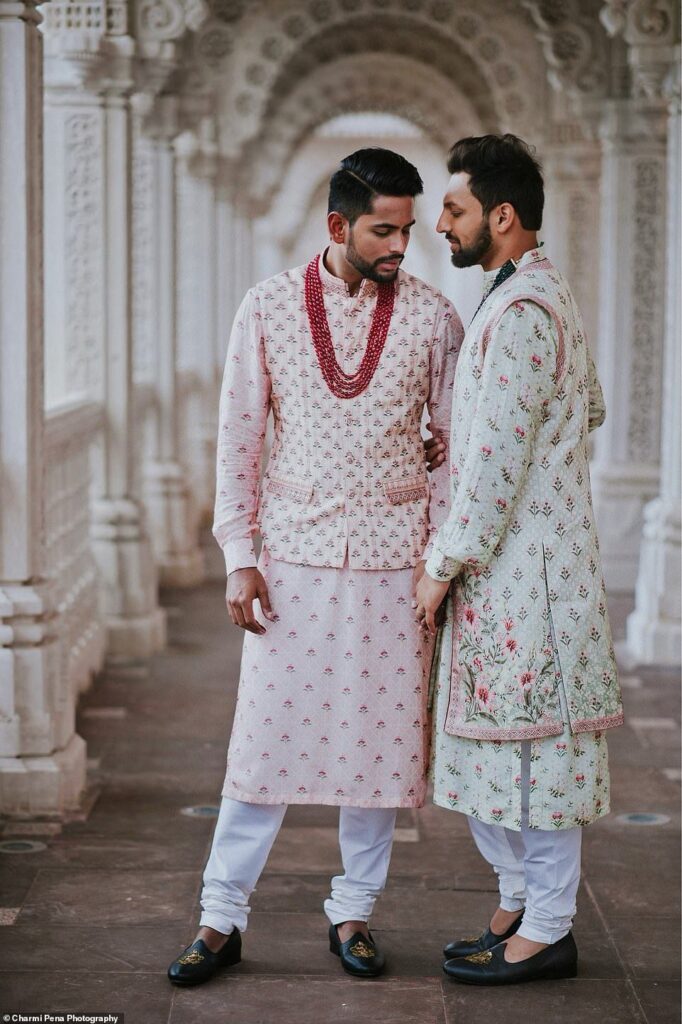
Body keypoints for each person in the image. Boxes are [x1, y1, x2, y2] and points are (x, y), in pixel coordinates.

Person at [167, 147, 463, 986]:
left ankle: (354, 913)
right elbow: (240, 440)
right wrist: (237, 558)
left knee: (378, 757)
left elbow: (451, 454)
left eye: (409, 228)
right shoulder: (264, 309)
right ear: (338, 226)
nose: (402, 244)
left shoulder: (436, 319)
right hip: (291, 560)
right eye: (384, 229)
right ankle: (219, 917)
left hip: (395, 565)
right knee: (260, 748)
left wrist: (438, 565)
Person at [415, 134, 623, 985]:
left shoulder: (526, 313)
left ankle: (548, 927)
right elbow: (591, 410)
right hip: (519, 567)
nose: (440, 224)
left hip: (523, 574)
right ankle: (515, 907)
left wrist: (442, 563)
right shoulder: (537, 298)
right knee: (499, 753)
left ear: (502, 217)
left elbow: (498, 465)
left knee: (537, 757)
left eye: (455, 209)